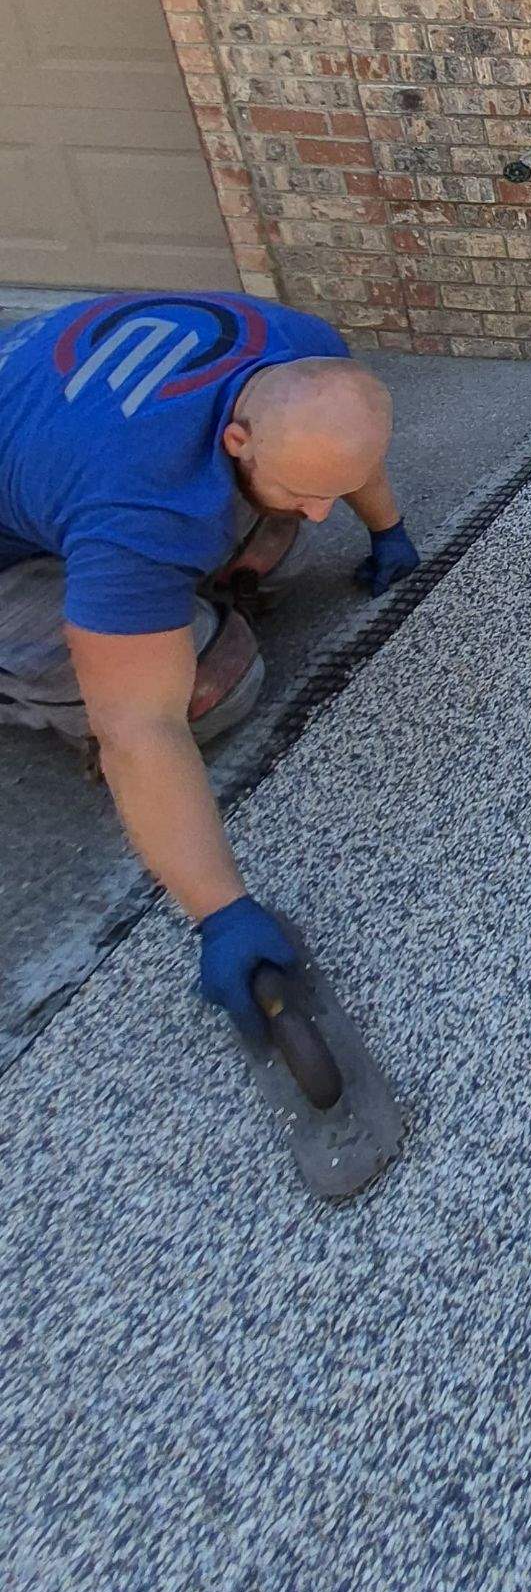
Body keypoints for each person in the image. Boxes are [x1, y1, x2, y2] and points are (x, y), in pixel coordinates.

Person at [0, 291, 420, 1041]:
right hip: (27, 541)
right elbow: (136, 727)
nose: (324, 513)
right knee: (212, 682)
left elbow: (343, 448)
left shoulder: (306, 348)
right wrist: (220, 911)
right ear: (234, 437)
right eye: (304, 488)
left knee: (281, 539)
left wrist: (389, 530)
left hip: (58, 436)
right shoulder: (139, 500)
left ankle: (149, 597)